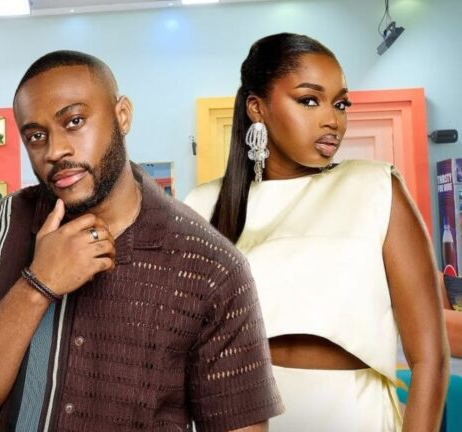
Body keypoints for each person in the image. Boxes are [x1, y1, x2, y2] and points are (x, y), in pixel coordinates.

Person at [0, 50, 283, 431]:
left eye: (74, 121)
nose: (55, 151)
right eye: (36, 136)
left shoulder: (212, 266)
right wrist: (37, 285)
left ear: (122, 115)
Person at [184, 33, 449, 431]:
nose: (332, 120)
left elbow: (430, 358)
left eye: (340, 104)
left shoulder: (376, 187)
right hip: (239, 416)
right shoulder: (204, 205)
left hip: (354, 415)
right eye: (309, 100)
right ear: (257, 108)